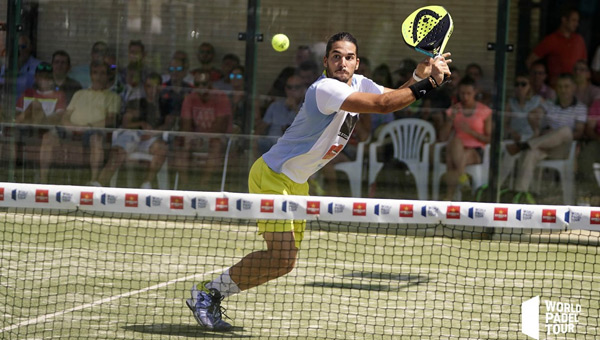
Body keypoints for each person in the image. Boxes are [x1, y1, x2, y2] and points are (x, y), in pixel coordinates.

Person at [185, 31, 451, 331]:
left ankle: (212, 293)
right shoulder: (325, 89)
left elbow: (392, 95)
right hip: (272, 176)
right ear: (326, 61)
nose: (342, 61)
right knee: (281, 254)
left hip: (297, 184)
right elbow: (383, 105)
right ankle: (207, 294)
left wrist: (418, 75)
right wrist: (430, 84)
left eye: (349, 57)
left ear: (357, 62)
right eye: (336, 56)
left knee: (284, 263)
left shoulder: (360, 83)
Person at [39, 61, 120, 185]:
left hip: (92, 130)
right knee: (48, 137)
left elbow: (110, 119)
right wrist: (68, 125)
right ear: (91, 75)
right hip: (71, 129)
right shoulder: (79, 93)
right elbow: (66, 115)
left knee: (96, 139)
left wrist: (88, 127)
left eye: (102, 73)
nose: (98, 76)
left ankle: (94, 181)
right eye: (95, 73)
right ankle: (43, 181)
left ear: (108, 76)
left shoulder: (113, 96)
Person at [509, 73, 586, 199]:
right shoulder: (549, 104)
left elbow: (579, 132)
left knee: (565, 131)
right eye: (560, 87)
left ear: (574, 88)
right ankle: (520, 195)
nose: (563, 90)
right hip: (544, 145)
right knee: (530, 153)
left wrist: (556, 134)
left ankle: (527, 144)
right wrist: (537, 129)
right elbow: (533, 115)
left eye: (566, 86)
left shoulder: (580, 108)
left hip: (562, 149)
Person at [97, 75, 169, 189]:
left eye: (156, 87)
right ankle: (100, 183)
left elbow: (168, 125)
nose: (152, 90)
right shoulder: (136, 103)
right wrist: (140, 124)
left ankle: (147, 183)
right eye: (149, 86)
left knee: (162, 148)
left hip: (152, 138)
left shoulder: (165, 104)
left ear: (160, 87)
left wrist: (152, 133)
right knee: (117, 153)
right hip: (131, 135)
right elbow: (126, 123)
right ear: (144, 88)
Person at [173, 69, 232, 189]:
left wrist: (203, 138)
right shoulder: (190, 98)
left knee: (215, 145)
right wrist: (193, 138)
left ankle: (203, 185)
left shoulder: (221, 97)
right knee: (184, 144)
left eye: (204, 84)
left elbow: (220, 126)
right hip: (196, 137)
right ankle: (185, 186)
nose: (201, 87)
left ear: (210, 84)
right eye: (197, 84)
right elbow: (186, 125)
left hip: (217, 137)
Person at [439, 76, 492, 200]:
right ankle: (463, 182)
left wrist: (471, 132)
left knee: (451, 158)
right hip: (458, 148)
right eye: (462, 93)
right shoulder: (455, 110)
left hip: (476, 150)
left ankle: (449, 195)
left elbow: (489, 139)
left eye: (469, 93)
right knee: (456, 142)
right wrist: (451, 120)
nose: (465, 97)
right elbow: (442, 137)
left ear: (475, 93)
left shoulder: (484, 111)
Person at [526, 7, 587, 87]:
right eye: (573, 20)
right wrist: (536, 84)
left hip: (576, 88)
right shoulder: (551, 40)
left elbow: (584, 65)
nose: (576, 24)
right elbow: (529, 61)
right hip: (556, 89)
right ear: (564, 20)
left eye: (577, 21)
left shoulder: (579, 40)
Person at [255, 73, 305, 155]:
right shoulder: (275, 106)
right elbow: (261, 128)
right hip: (271, 146)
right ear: (285, 89)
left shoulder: (307, 108)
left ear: (303, 89)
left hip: (296, 148)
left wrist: (295, 109)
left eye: (296, 87)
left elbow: (308, 126)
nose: (292, 90)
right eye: (289, 87)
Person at [0, 35, 41, 101]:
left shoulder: (38, 66)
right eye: (17, 47)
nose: (19, 50)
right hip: (8, 105)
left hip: (28, 105)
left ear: (30, 47)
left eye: (23, 47)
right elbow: (1, 83)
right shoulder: (7, 66)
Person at [577, 98, 600, 205]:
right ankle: (594, 192)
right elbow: (589, 128)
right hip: (598, 141)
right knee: (585, 156)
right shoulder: (597, 104)